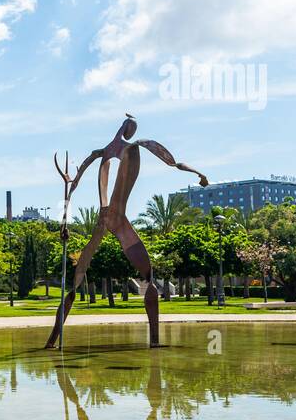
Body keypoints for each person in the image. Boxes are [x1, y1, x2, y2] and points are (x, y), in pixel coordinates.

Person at [47, 115, 208, 349]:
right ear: (128, 128)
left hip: (103, 219)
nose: (132, 131)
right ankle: (154, 341)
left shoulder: (100, 153)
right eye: (132, 127)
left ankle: (52, 341)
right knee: (149, 277)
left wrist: (64, 223)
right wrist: (199, 175)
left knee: (76, 283)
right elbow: (171, 161)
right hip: (118, 220)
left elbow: (74, 185)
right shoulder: (135, 146)